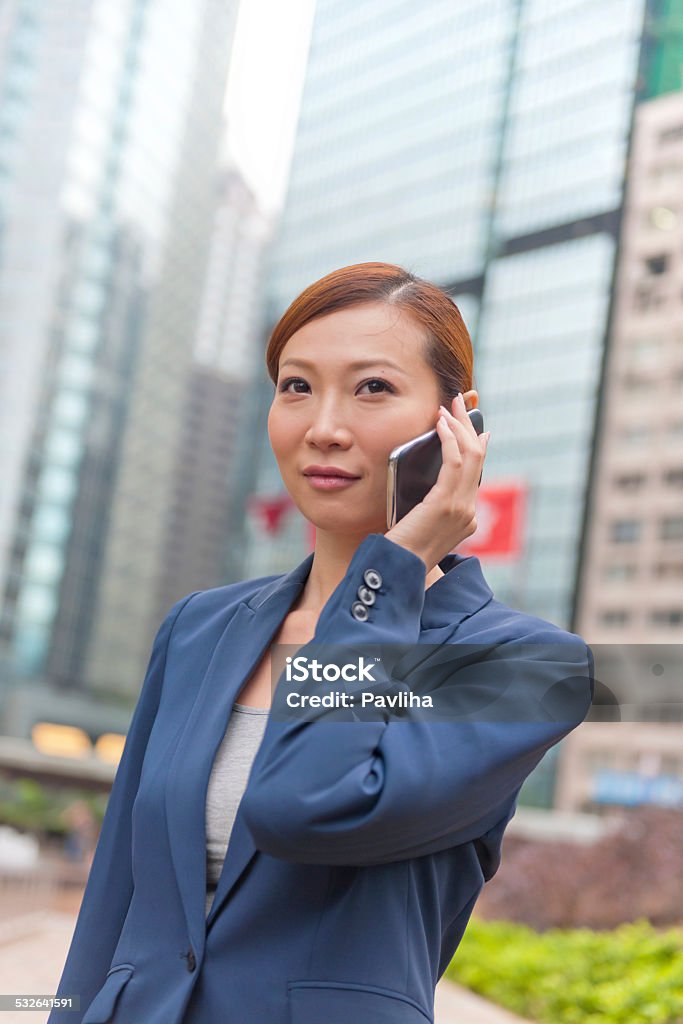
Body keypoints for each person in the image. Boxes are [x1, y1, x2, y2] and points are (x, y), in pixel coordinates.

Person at [48, 262, 594, 1024]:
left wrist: (393, 570)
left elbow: (305, 805)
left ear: (457, 422)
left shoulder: (526, 665)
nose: (323, 427)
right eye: (296, 386)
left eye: (371, 388)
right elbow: (114, 899)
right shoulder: (200, 627)